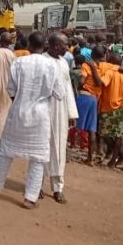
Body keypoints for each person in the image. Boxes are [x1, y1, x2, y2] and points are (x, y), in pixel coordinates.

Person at [0, 32, 62, 209]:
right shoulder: (52, 66)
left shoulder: (20, 62)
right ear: (44, 46)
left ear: (29, 45)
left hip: (18, 111)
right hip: (41, 116)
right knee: (38, 158)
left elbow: (11, 89)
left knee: (5, 151)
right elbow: (59, 93)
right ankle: (30, 198)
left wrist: (22, 100)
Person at [41, 33, 79, 202]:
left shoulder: (64, 63)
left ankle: (57, 187)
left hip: (61, 111)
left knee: (59, 149)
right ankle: (37, 185)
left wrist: (71, 113)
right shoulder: (41, 60)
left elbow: (68, 88)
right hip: (43, 110)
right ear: (55, 45)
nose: (67, 48)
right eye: (64, 45)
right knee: (41, 148)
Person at [98, 52, 123, 167]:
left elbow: (101, 82)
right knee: (118, 135)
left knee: (104, 133)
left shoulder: (109, 73)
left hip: (108, 108)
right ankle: (116, 158)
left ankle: (116, 156)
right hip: (121, 108)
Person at [77, 45, 105, 165]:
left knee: (74, 123)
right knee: (91, 129)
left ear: (92, 54)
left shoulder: (86, 65)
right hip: (94, 99)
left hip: (84, 95)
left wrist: (79, 85)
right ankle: (90, 158)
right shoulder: (104, 68)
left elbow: (82, 81)